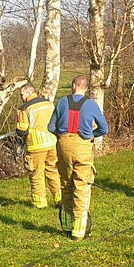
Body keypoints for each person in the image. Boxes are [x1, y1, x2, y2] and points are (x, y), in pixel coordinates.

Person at [48, 76, 109, 240]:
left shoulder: (62, 102)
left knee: (66, 185)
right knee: (81, 186)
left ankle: (67, 226)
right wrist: (91, 135)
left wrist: (64, 137)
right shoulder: (90, 104)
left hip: (63, 145)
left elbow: (51, 127)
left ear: (73, 86)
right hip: (83, 146)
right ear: (86, 88)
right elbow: (104, 128)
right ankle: (79, 230)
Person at [15, 82, 61, 209]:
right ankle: (60, 199)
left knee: (36, 173)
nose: (21, 97)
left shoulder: (24, 108)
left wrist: (18, 128)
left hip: (36, 145)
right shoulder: (48, 103)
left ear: (29, 92)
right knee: (52, 171)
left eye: (22, 94)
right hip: (52, 142)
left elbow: (22, 130)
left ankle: (40, 204)